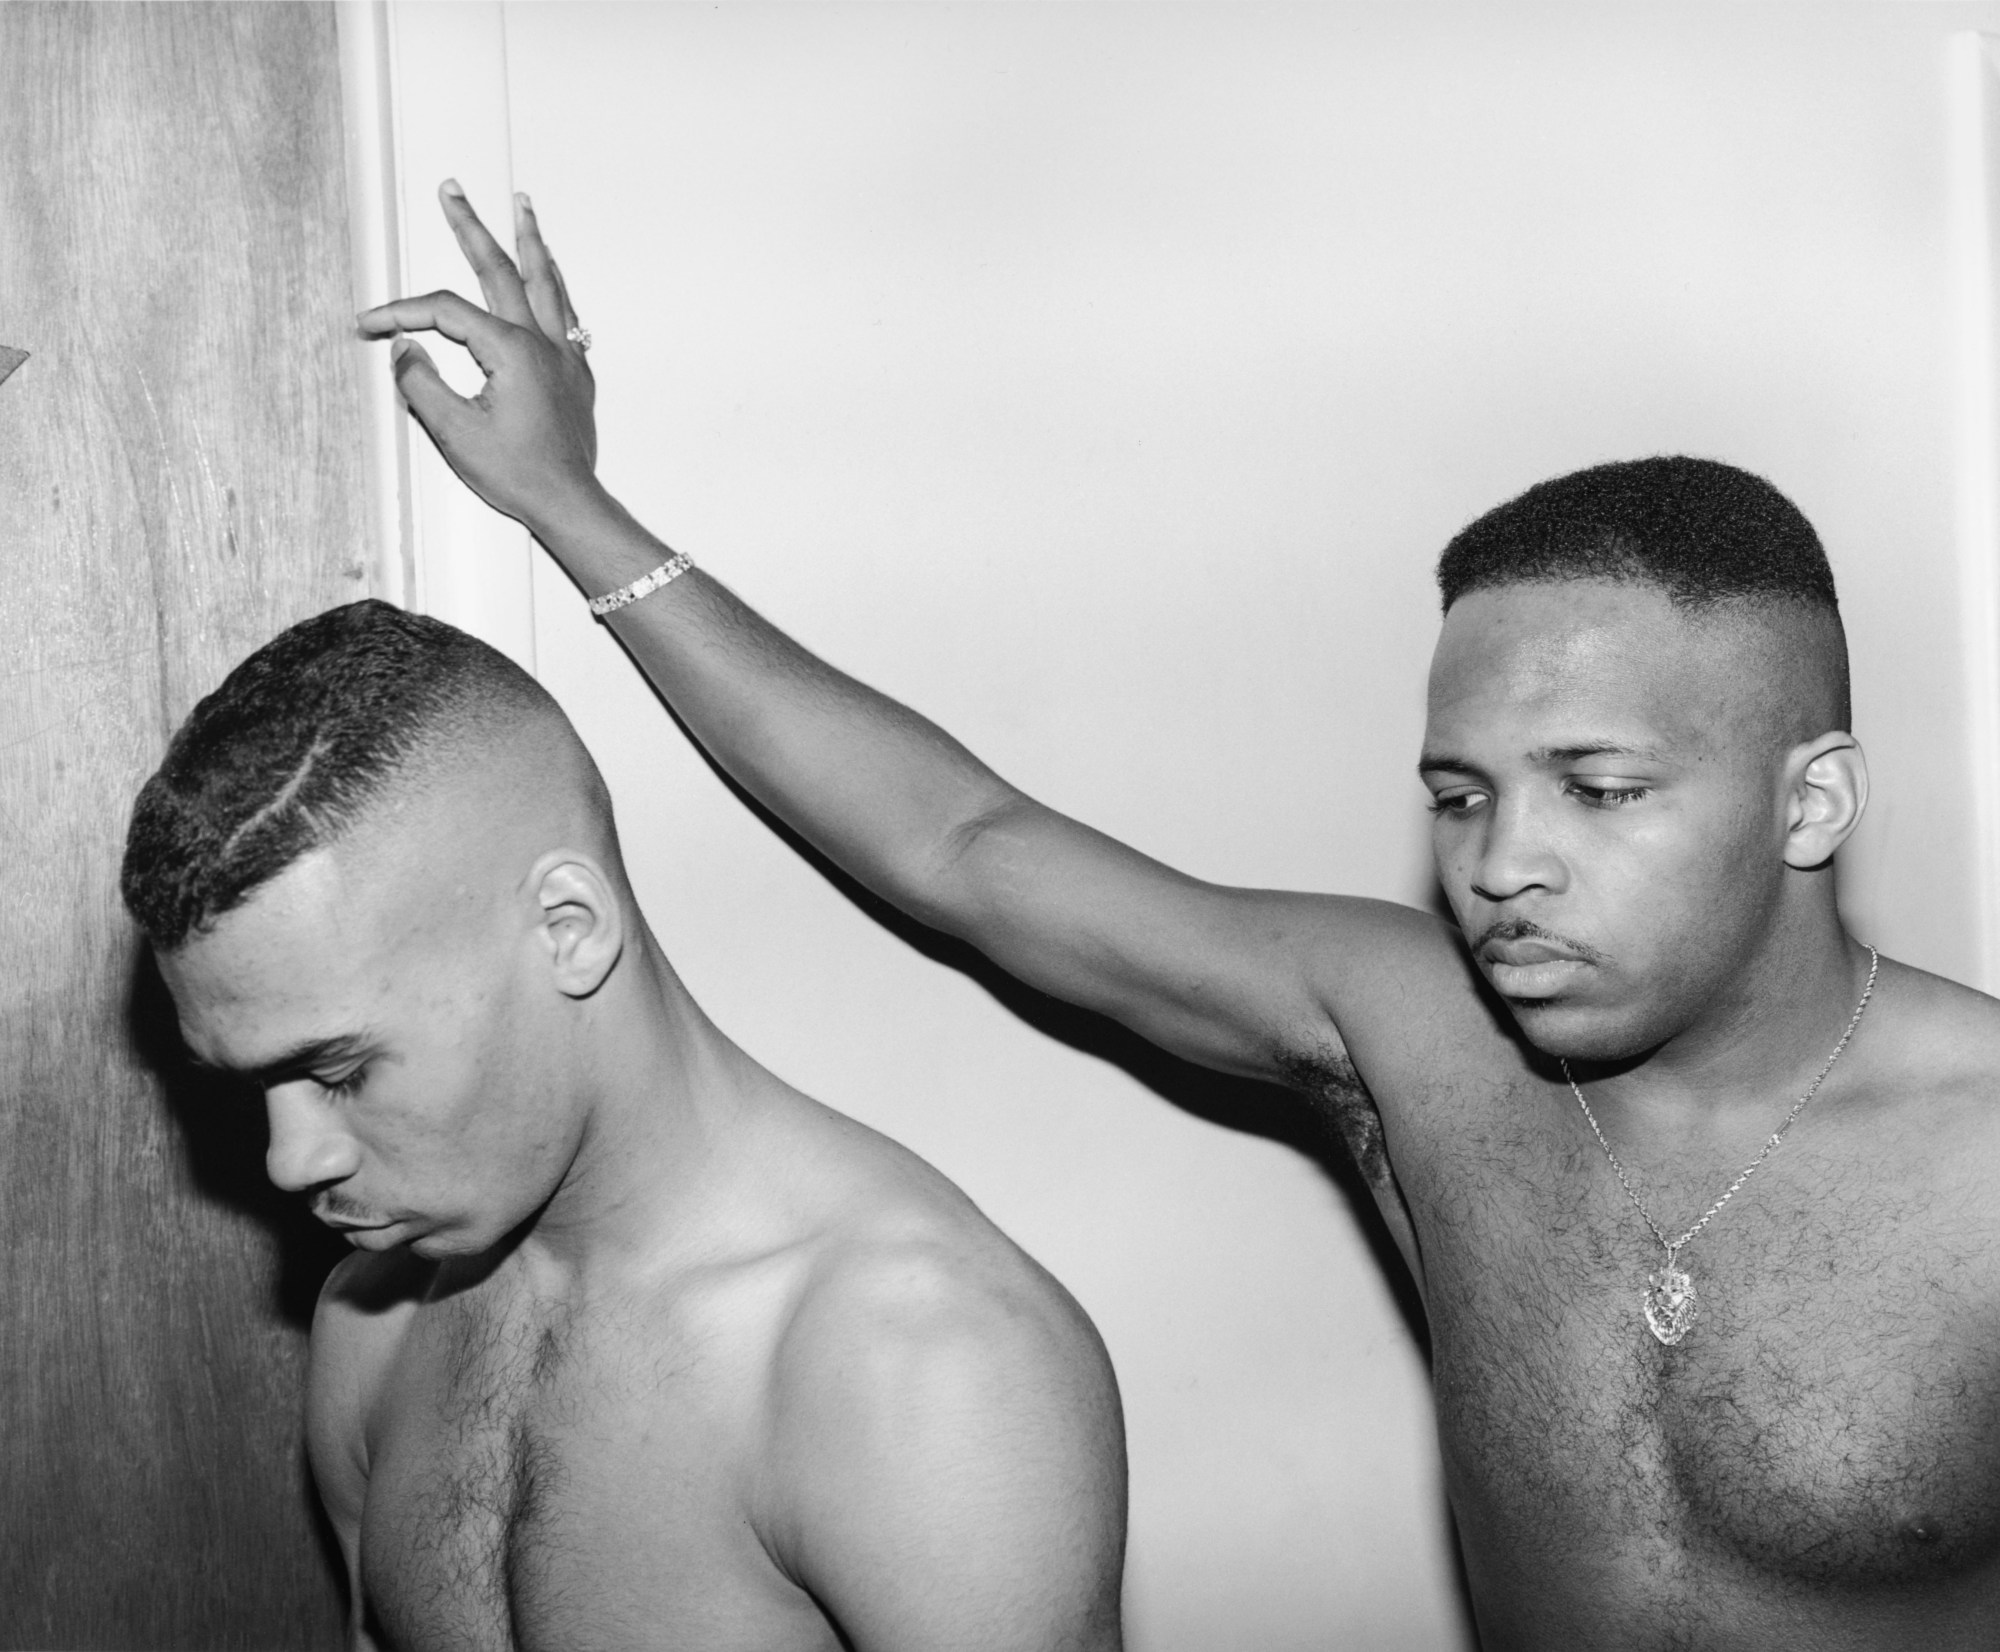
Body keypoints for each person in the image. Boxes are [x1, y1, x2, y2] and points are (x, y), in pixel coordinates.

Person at [362, 183, 2000, 1648]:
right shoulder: (1423, 1044)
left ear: (1810, 802)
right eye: (1460, 792)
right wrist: (573, 509)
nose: (1503, 860)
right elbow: (967, 843)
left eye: (1599, 784)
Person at [118, 602, 1126, 1651]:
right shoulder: (374, 1322)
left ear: (568, 930)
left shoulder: (918, 1364)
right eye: (249, 1086)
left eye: (342, 1068)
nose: (291, 1159)